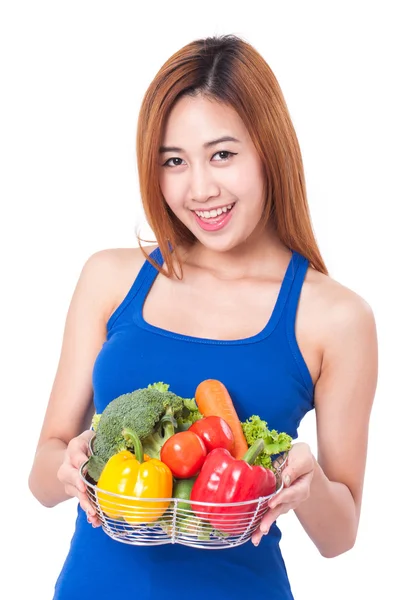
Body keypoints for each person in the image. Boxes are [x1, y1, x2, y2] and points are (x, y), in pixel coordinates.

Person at [28, 34, 378, 599]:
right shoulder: (110, 279)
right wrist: (67, 469)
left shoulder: (336, 317)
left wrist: (306, 483)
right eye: (174, 160)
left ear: (268, 149)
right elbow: (41, 477)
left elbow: (340, 539)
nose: (200, 189)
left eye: (222, 154)